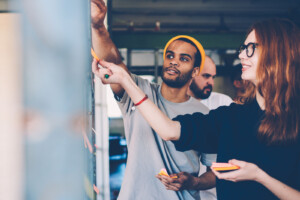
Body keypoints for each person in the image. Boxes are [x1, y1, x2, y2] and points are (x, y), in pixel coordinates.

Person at [95, 18, 300, 200]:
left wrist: (258, 176)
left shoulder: (293, 121)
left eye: (251, 48)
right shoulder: (231, 116)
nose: (242, 56)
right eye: (242, 48)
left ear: (276, 53)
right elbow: (169, 130)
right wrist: (123, 77)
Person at [91, 1, 216, 199]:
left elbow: (214, 171)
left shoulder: (204, 115)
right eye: (170, 55)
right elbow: (113, 62)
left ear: (195, 71)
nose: (174, 61)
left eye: (184, 58)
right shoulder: (138, 90)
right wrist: (98, 26)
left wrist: (195, 182)